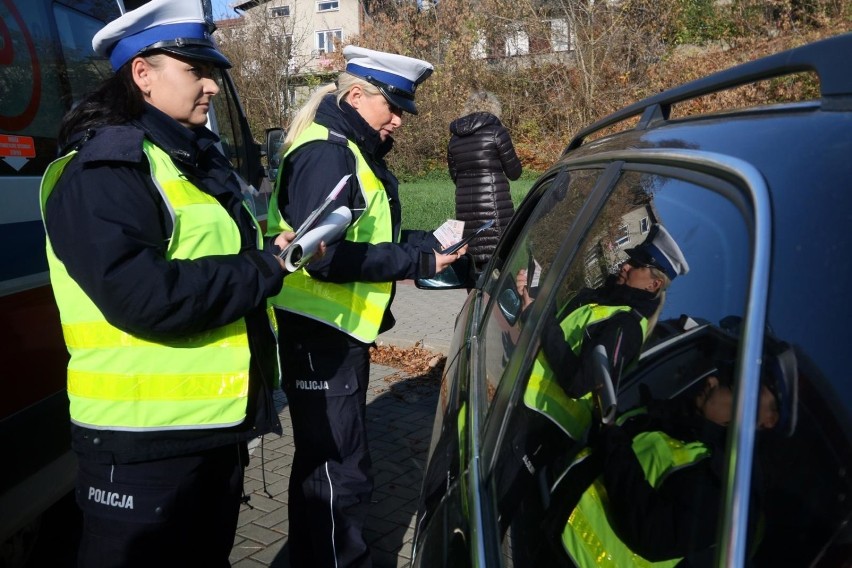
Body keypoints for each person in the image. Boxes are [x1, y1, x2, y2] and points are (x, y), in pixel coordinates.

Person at [39, 1, 295, 565]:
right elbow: (143, 296)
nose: (210, 84)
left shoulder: (184, 158)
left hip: (207, 432)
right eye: (194, 70)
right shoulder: (108, 167)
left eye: (212, 71)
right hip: (140, 447)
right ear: (142, 74)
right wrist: (265, 269)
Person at [265, 46, 466, 567]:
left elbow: (374, 235)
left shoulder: (347, 149)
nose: (398, 119)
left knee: (325, 463)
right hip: (320, 331)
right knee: (339, 468)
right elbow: (320, 259)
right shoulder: (329, 152)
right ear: (356, 96)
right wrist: (417, 261)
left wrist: (428, 247)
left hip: (332, 331)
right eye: (392, 107)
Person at [494, 224, 689, 535]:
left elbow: (577, 381)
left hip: (545, 426)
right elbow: (564, 335)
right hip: (531, 413)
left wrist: (536, 317)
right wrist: (536, 295)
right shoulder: (608, 302)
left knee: (494, 510)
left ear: (653, 284)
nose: (626, 265)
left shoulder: (626, 324)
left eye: (637, 265)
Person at [550, 360, 781, 567]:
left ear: (766, 422)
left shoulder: (725, 486)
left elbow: (654, 535)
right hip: (552, 527)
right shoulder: (673, 420)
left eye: (731, 387)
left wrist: (613, 441)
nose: (711, 380)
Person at [447, 90, 523, 272]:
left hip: (465, 209)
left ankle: (476, 298)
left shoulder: (454, 140)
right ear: (494, 108)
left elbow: (455, 176)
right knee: (500, 262)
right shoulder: (497, 133)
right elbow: (514, 172)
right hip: (496, 208)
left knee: (475, 264)